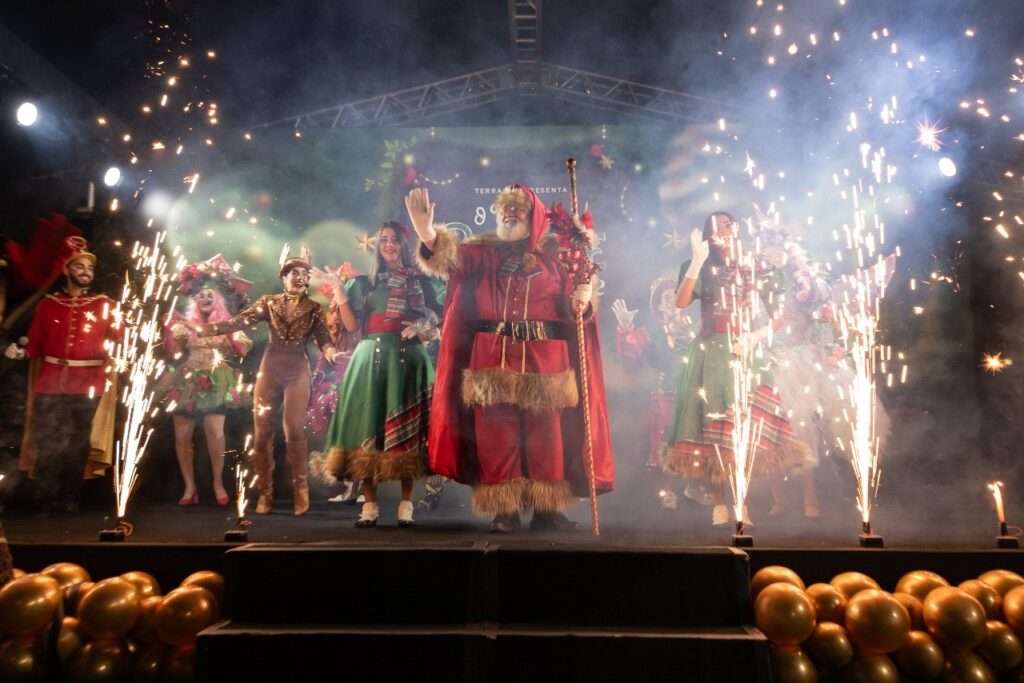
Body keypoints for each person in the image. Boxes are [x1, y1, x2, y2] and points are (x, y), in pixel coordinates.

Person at [406, 185, 614, 532]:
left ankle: (547, 509)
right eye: (505, 210)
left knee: (545, 435)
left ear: (534, 218)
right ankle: (506, 509)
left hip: (546, 357)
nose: (509, 215)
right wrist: (427, 232)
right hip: (493, 355)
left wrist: (584, 295)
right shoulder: (482, 252)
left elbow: (578, 310)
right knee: (495, 433)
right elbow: (450, 259)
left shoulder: (559, 255)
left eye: (518, 211)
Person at [662, 212, 811, 526]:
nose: (724, 232)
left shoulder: (753, 265)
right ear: (708, 236)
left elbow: (779, 315)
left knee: (742, 429)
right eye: (716, 228)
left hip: (744, 350)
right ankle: (718, 502)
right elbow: (681, 301)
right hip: (711, 351)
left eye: (728, 225)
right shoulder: (701, 265)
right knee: (715, 429)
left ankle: (741, 503)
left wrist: (755, 337)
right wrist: (697, 260)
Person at [193, 249, 337, 516]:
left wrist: (330, 352)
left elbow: (324, 338)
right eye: (295, 273)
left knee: (294, 429)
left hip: (297, 369)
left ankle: (300, 490)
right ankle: (265, 493)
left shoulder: (314, 308)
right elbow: (239, 321)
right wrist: (209, 329)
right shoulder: (268, 303)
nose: (300, 278)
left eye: (305, 274)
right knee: (262, 433)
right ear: (283, 276)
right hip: (270, 367)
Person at [322, 222, 442, 528]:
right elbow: (351, 327)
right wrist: (339, 291)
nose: (388, 245)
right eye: (383, 240)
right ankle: (370, 506)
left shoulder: (422, 282)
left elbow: (437, 321)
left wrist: (421, 329)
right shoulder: (364, 283)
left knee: (409, 431)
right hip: (370, 358)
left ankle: (406, 505)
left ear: (404, 244)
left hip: (408, 359)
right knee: (367, 426)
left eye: (394, 240)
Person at [5, 238, 118, 512]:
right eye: (78, 266)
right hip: (51, 380)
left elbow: (118, 340)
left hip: (88, 382)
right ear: (67, 271)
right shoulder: (48, 305)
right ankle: (45, 497)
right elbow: (34, 343)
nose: (84, 271)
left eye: (88, 267)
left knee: (78, 442)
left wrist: (121, 356)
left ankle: (70, 499)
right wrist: (20, 352)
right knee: (47, 439)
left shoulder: (105, 305)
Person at [159, 255, 253, 506]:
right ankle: (189, 487)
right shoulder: (183, 325)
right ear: (194, 299)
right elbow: (173, 353)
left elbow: (243, 349)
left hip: (216, 379)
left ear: (218, 299)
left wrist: (232, 335)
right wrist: (170, 331)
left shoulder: (227, 324)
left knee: (214, 432)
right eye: (201, 295)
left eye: (210, 294)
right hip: (188, 379)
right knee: (182, 435)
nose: (205, 298)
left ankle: (217, 482)